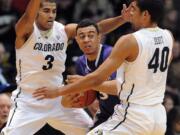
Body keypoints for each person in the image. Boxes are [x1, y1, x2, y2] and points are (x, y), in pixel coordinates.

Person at [33, 0, 174, 135]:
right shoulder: (168, 37)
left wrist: (57, 92)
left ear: (145, 15)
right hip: (158, 117)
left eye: (134, 10)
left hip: (134, 115)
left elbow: (96, 79)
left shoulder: (130, 40)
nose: (131, 13)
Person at [1, 0, 131, 134]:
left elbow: (97, 28)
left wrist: (122, 18)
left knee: (90, 131)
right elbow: (28, 16)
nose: (51, 15)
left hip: (58, 98)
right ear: (36, 13)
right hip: (29, 101)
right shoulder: (26, 31)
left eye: (54, 11)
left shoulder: (63, 30)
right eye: (46, 11)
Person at [61, 19, 123, 129]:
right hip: (105, 115)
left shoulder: (110, 54)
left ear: (99, 37)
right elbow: (89, 96)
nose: (86, 40)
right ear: (77, 40)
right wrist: (69, 101)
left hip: (126, 112)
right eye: (82, 36)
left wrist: (86, 83)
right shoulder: (80, 63)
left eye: (91, 36)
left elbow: (119, 87)